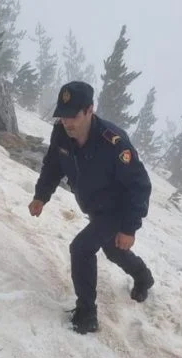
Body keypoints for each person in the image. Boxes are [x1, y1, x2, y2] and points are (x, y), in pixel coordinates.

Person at [28, 81, 154, 334]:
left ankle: (87, 313)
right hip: (95, 206)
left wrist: (129, 228)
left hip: (117, 209)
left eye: (73, 115)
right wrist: (41, 195)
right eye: (62, 116)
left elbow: (140, 186)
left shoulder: (115, 143)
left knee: (81, 248)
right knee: (113, 250)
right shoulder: (62, 133)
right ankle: (144, 277)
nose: (67, 122)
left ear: (89, 110)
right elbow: (53, 165)